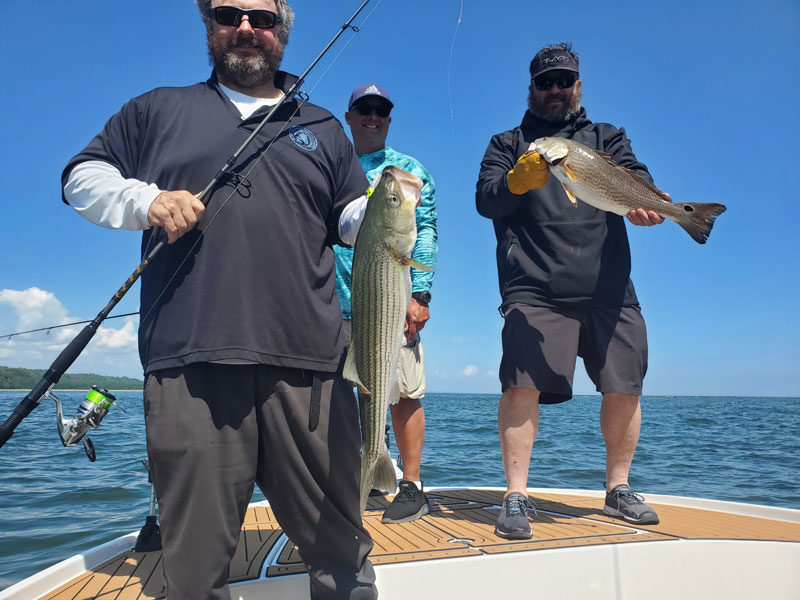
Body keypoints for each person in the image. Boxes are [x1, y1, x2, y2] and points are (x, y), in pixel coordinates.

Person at [60, 2, 378, 598]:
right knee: (195, 566)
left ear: (282, 29)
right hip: (189, 360)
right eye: (230, 13)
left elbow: (352, 218)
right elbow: (81, 176)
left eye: (261, 16)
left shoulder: (324, 126)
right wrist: (144, 200)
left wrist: (390, 207)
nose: (246, 28)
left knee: (341, 552)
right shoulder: (158, 109)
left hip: (309, 363)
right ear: (209, 24)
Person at [475, 43, 665, 540]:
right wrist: (516, 183)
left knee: (625, 385)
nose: (556, 90)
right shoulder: (507, 142)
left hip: (609, 285)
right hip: (533, 286)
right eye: (546, 82)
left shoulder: (607, 137)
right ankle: (516, 494)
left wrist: (647, 201)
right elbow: (486, 201)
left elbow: (636, 177)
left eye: (565, 81)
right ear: (532, 88)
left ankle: (618, 489)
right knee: (521, 384)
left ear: (579, 86)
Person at [335, 83, 438, 524]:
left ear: (389, 118)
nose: (373, 116)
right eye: (364, 108)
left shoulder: (408, 170)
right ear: (350, 115)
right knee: (340, 395)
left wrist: (419, 292)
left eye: (381, 109)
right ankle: (353, 479)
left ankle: (411, 485)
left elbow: (426, 226)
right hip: (331, 299)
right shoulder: (334, 163)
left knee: (404, 392)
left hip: (392, 299)